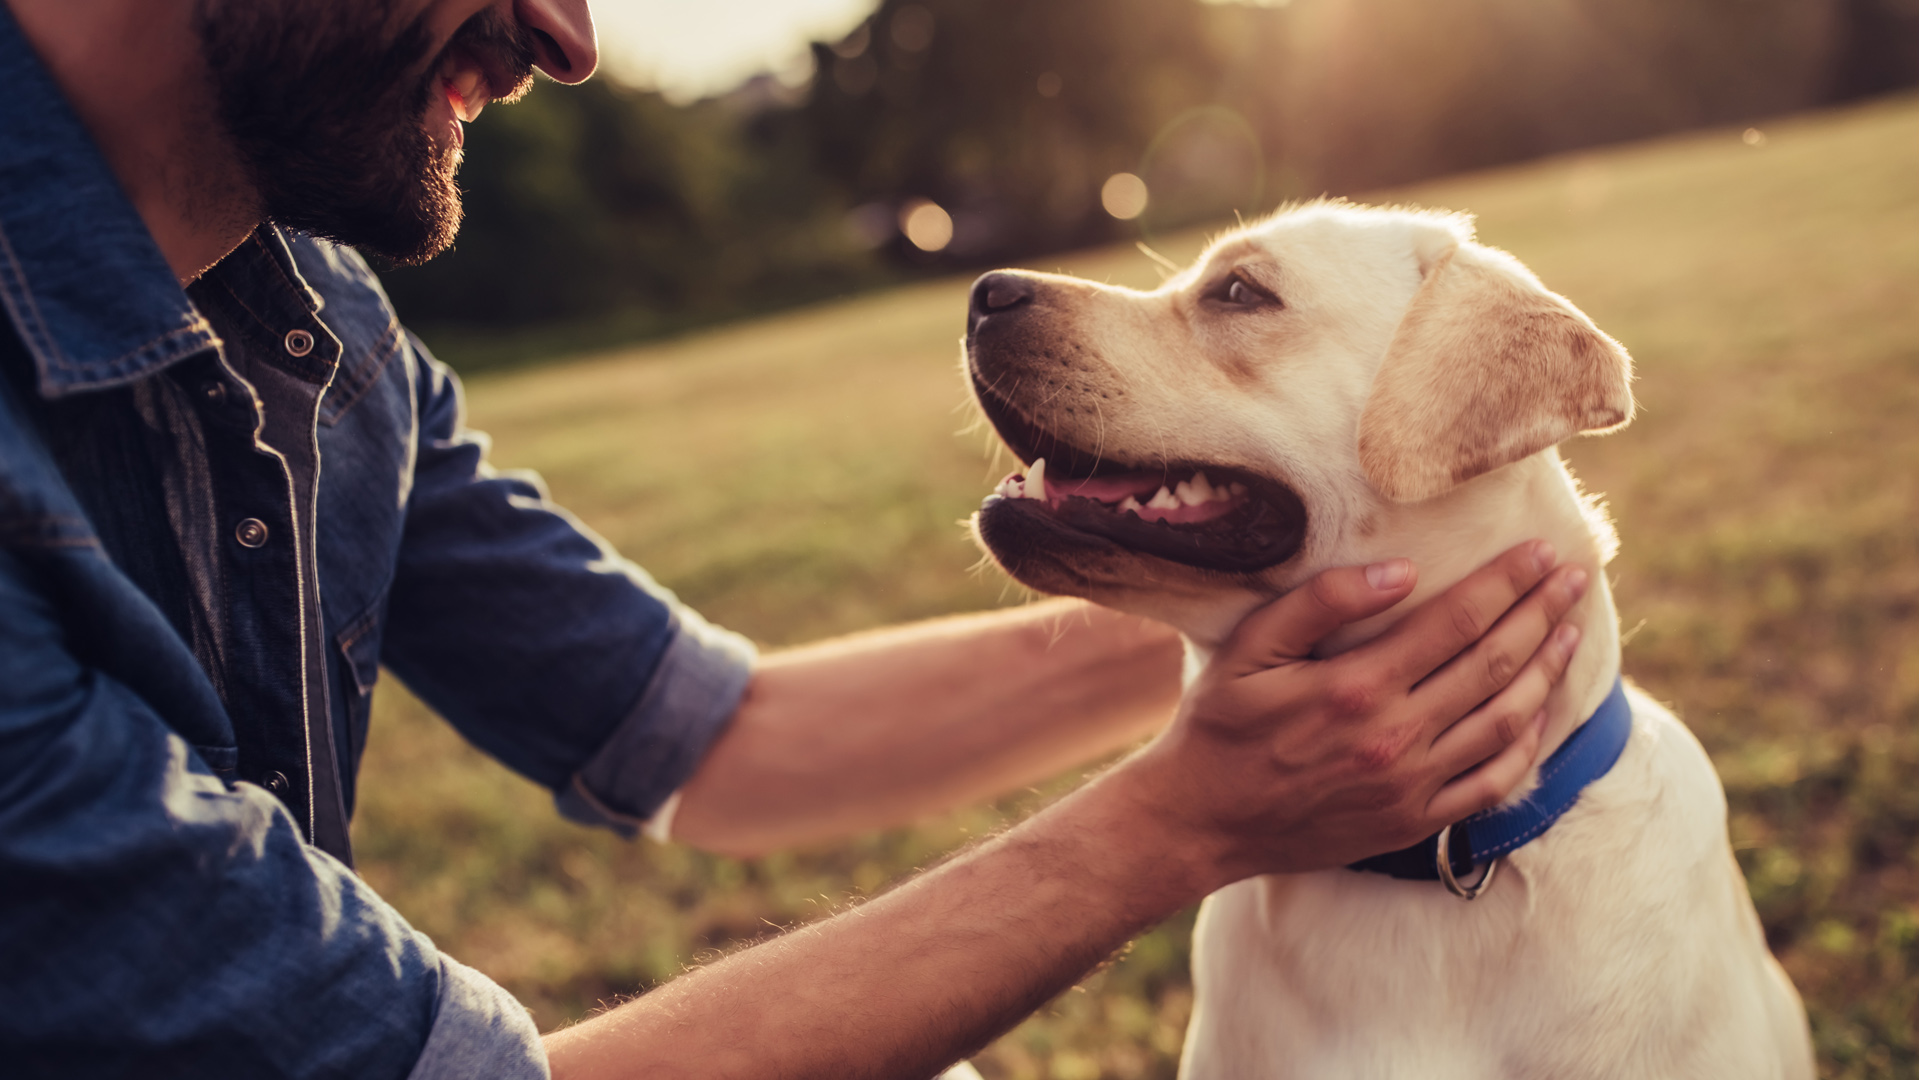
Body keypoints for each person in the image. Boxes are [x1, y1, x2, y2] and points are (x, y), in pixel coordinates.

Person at [0, 1, 1591, 1077]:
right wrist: (1177, 825)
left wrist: (1308, 602)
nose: (565, 35)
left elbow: (722, 737)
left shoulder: (314, 330)